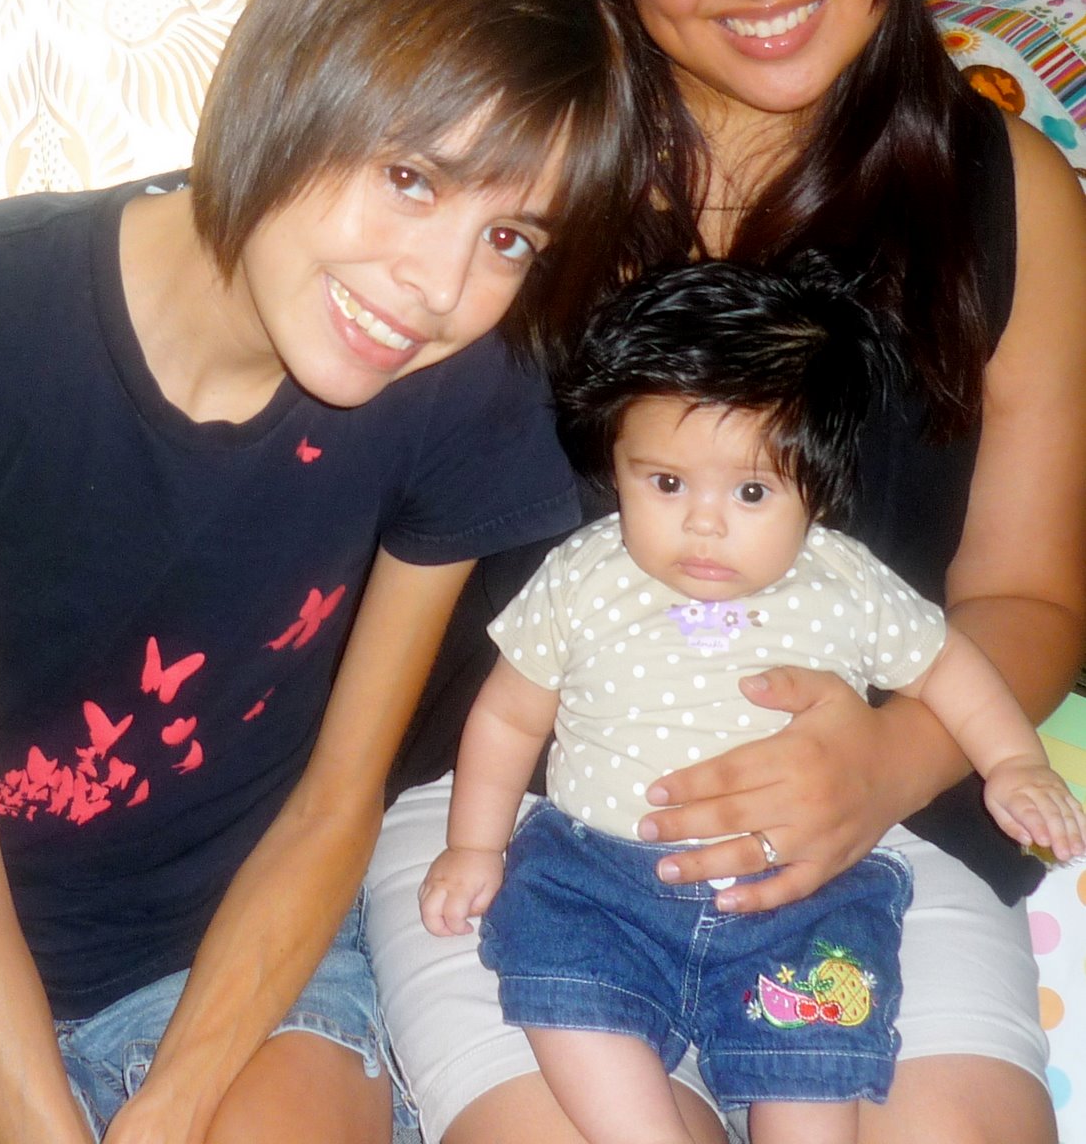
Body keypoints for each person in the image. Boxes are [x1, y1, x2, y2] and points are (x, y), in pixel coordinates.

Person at [363, 0, 1086, 1144]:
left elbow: (1026, 595)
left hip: (869, 816)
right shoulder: (516, 176)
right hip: (522, 817)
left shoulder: (1002, 194)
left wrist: (882, 764)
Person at [0, 0, 667, 1144]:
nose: (440, 286)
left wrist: (172, 1103)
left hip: (240, 967)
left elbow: (339, 798)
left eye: (510, 238)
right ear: (284, 83)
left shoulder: (459, 388)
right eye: (411, 177)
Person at [419, 259, 1086, 1144]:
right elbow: (508, 714)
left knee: (813, 1069)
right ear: (615, 461)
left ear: (818, 485)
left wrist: (1012, 762)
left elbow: (947, 668)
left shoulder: (844, 582)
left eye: (749, 492)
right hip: (598, 879)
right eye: (665, 483)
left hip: (799, 895)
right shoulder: (585, 574)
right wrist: (475, 845)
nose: (703, 523)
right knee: (563, 993)